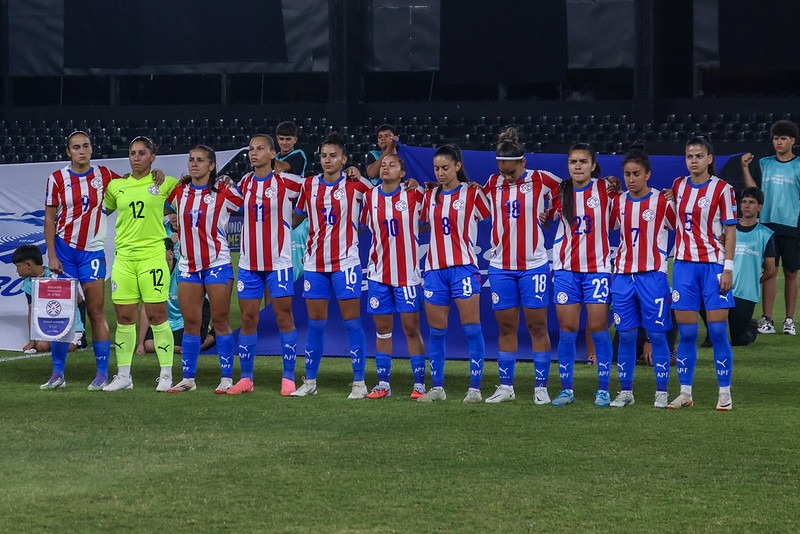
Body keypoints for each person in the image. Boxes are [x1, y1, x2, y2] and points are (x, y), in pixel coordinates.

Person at [481, 127, 560, 404]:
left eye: (511, 171)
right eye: (502, 170)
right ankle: (506, 386)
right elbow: (471, 201)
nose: (507, 176)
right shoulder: (492, 183)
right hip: (500, 266)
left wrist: (551, 212)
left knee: (537, 326)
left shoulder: (541, 179)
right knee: (506, 327)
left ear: (523, 162)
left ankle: (541, 387)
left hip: (534, 265)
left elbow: (568, 190)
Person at [291, 131, 371, 399]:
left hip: (346, 263)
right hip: (315, 265)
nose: (327, 160)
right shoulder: (308, 186)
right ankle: (310, 382)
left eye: (333, 156)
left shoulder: (356, 187)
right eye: (324, 155)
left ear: (344, 159)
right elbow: (296, 216)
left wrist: (361, 176)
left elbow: (380, 196)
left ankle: (359, 382)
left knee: (352, 323)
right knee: (315, 324)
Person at [102, 136, 180, 392]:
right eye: (132, 153)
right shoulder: (116, 186)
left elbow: (192, 190)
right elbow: (102, 211)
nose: (136, 157)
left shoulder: (165, 183)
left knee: (157, 316)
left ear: (153, 157)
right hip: (124, 259)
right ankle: (124, 376)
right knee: (124, 318)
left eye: (142, 153)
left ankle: (166, 374)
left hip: (152, 258)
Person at [417, 144, 491, 403]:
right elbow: (423, 223)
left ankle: (475, 389)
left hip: (464, 268)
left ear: (458, 166)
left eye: (445, 168)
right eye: (436, 168)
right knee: (436, 332)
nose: (440, 173)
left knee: (472, 329)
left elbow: (489, 216)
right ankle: (437, 388)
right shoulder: (429, 195)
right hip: (434, 270)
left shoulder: (472, 193)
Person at [42, 130, 115, 390]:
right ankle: (57, 374)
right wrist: (51, 254)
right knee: (62, 314)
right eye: (76, 147)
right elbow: (49, 218)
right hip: (64, 252)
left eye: (85, 146)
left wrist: (157, 175)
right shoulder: (56, 179)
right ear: (68, 152)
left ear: (92, 149)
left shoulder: (104, 175)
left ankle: (102, 374)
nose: (81, 151)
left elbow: (130, 187)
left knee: (96, 312)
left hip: (92, 253)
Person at [165, 145, 241, 394]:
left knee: (220, 320)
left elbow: (247, 202)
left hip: (217, 263)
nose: (194, 164)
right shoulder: (180, 191)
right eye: (191, 160)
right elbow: (161, 204)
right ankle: (188, 378)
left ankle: (227, 378)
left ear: (212, 166)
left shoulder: (224, 192)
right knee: (191, 323)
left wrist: (229, 182)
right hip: (188, 266)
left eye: (200, 160)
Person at [669, 136, 737, 411]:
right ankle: (685, 392)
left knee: (718, 331)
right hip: (684, 266)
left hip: (713, 266)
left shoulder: (723, 189)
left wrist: (728, 268)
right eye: (689, 156)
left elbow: (730, 231)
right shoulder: (678, 185)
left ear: (710, 159)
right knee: (686, 333)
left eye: (699, 156)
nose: (694, 161)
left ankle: (725, 393)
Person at [232, 134, 302, 396]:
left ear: (273, 154)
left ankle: (288, 377)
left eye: (260, 148)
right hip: (249, 264)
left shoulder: (287, 182)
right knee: (248, 318)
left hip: (278, 262)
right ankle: (246, 378)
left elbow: (316, 190)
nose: (254, 153)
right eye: (251, 149)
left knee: (283, 317)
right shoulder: (244, 183)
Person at [608, 145, 676, 408]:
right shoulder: (619, 202)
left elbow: (683, 227)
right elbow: (607, 225)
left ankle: (661, 392)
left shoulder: (662, 201)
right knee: (625, 336)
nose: (631, 179)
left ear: (648, 174)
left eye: (636, 173)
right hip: (623, 277)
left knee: (657, 336)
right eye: (627, 174)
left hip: (653, 277)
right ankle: (626, 391)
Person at [550, 143, 616, 407]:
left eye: (583, 161)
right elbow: (550, 215)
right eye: (573, 162)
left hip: (597, 270)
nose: (577, 166)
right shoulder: (561, 191)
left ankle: (603, 390)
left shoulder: (605, 189)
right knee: (567, 330)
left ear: (593, 165)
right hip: (566, 270)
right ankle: (566, 389)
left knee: (598, 328)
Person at [360, 153, 427, 399]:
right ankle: (383, 384)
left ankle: (419, 384)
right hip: (378, 275)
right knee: (383, 331)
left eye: (392, 165)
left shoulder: (414, 195)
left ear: (403, 173)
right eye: (384, 165)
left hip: (407, 275)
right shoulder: (370, 197)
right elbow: (366, 226)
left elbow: (427, 220)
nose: (386, 168)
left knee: (411, 329)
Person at [741, 120, 800, 336]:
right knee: (770, 272)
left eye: (783, 138)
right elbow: (754, 192)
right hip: (767, 226)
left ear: (792, 141)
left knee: (791, 272)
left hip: (791, 226)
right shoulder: (765, 163)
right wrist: (745, 168)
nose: (778, 142)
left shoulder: (798, 165)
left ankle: (789, 320)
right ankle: (767, 319)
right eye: (776, 138)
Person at [700, 187, 777, 347]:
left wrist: (753, 281)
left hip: (745, 293)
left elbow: (771, 270)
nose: (747, 205)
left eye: (752, 202)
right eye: (744, 201)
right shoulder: (726, 228)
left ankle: (751, 327)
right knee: (700, 300)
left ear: (760, 207)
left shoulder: (766, 234)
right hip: (721, 285)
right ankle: (711, 333)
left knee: (738, 341)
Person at [136, 238, 215, 356]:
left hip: (186, 316)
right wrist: (140, 344)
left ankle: (212, 335)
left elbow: (195, 302)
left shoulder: (182, 271)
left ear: (171, 254)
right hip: (166, 320)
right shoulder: (152, 273)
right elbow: (145, 308)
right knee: (149, 345)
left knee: (188, 346)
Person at [13, 245, 84, 366]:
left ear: (28, 265)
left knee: (64, 347)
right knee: (42, 346)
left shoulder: (55, 274)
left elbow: (79, 300)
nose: (17, 271)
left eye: (18, 266)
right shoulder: (28, 285)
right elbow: (31, 311)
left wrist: (65, 283)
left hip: (69, 324)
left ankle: (80, 337)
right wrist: (32, 340)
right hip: (49, 325)